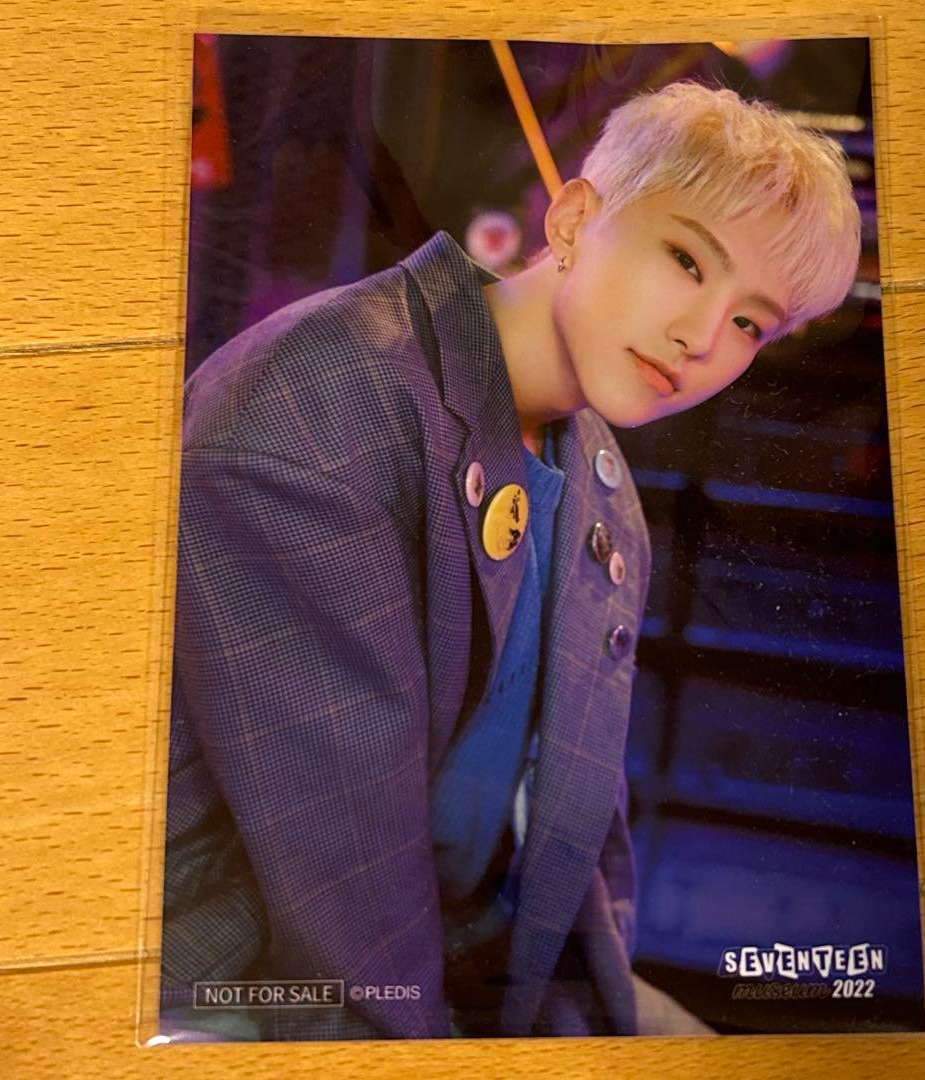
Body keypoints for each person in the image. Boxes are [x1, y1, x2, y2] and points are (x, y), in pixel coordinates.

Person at [159, 81, 861, 1041]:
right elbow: (344, 907)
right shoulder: (321, 403)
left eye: (750, 322)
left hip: (478, 957)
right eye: (687, 259)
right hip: (244, 975)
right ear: (573, 220)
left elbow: (581, 830)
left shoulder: (600, 479)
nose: (700, 339)